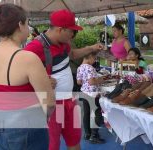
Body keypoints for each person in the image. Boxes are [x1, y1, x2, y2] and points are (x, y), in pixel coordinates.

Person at [25, 9, 104, 150]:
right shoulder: (35, 46)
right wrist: (39, 80)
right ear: (61, 30)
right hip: (50, 105)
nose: (73, 35)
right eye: (71, 31)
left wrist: (91, 48)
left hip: (69, 101)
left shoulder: (64, 44)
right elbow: (18, 71)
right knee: (52, 145)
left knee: (74, 140)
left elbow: (72, 54)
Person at [0, 3, 55, 150]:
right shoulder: (28, 58)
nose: (28, 29)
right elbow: (49, 104)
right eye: (27, 24)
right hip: (26, 129)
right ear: (20, 25)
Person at [76, 52, 105, 144]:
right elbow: (92, 82)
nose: (95, 61)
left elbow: (79, 82)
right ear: (90, 57)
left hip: (84, 93)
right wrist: (101, 79)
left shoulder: (80, 67)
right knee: (96, 114)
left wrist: (85, 82)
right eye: (94, 58)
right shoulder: (90, 68)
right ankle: (94, 135)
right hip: (92, 94)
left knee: (87, 113)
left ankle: (87, 134)